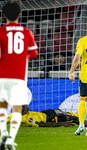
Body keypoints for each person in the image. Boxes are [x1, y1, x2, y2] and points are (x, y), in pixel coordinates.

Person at [0, 1, 38, 150]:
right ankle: (11, 139)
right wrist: (23, 56)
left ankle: (3, 133)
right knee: (17, 109)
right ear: (20, 14)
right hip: (19, 78)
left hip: (2, 76)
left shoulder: (1, 32)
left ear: (3, 16)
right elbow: (34, 54)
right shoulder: (26, 32)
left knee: (2, 107)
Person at [7, 106, 87, 128]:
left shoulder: (12, 116)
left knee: (69, 114)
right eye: (24, 107)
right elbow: (43, 125)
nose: (27, 108)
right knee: (74, 118)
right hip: (50, 118)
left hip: (46, 113)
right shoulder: (25, 121)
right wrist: (62, 124)